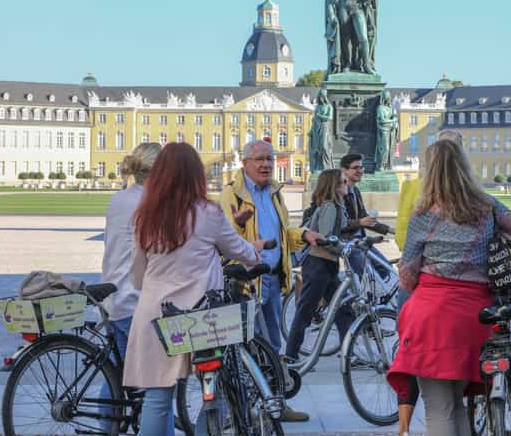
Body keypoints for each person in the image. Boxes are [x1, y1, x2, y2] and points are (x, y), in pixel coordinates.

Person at [388, 140, 511, 436]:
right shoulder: (486, 206)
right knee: (457, 401)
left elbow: (406, 275)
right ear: (465, 167)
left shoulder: (423, 215)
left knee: (439, 408)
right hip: (475, 317)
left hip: (430, 317)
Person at [122, 142, 265, 434]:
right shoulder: (208, 212)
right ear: (195, 175)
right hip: (201, 316)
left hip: (156, 314)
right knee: (215, 394)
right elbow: (237, 248)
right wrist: (256, 255)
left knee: (157, 397)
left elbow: (137, 274)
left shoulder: (144, 216)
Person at [219, 139, 320, 422]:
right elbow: (223, 239)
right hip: (245, 283)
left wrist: (304, 235)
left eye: (269, 159)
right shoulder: (231, 195)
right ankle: (235, 412)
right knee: (240, 351)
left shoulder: (274, 193)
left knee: (273, 347)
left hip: (272, 280)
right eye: (259, 159)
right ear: (245, 163)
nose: (265, 164)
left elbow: (282, 232)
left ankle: (275, 406)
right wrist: (239, 223)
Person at [392, 129, 463, 436]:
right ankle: (404, 423)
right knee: (453, 396)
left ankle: (404, 427)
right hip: (462, 296)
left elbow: (403, 238)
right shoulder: (475, 198)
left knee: (411, 352)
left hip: (422, 284)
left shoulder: (417, 193)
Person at [99, 142, 162, 430]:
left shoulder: (119, 198)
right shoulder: (149, 204)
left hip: (114, 297)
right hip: (134, 301)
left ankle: (106, 428)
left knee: (114, 376)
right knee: (158, 386)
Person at [285, 168, 355, 362]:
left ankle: (348, 354)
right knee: (306, 311)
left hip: (328, 265)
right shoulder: (330, 207)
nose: (347, 184)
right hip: (318, 265)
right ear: (333, 185)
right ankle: (290, 355)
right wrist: (346, 248)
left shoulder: (338, 206)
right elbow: (326, 239)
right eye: (343, 181)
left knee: (344, 309)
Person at [309, 88, 334, 172]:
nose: (320, 98)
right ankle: (320, 166)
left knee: (324, 146)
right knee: (318, 147)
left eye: (322, 96)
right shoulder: (318, 107)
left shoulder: (329, 106)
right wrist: (311, 131)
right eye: (319, 96)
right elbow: (314, 119)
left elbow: (329, 117)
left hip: (325, 127)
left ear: (325, 97)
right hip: (317, 128)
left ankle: (327, 165)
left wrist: (320, 116)